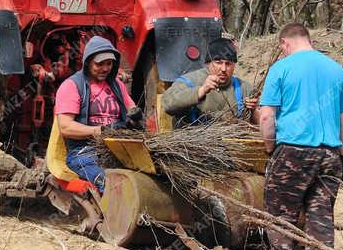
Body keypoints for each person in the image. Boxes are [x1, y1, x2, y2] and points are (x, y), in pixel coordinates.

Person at [258, 23, 343, 250]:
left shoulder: (282, 68)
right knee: (320, 219)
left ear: (284, 44)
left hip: (293, 152)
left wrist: (269, 147)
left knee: (280, 217)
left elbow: (266, 116)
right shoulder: (337, 70)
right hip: (330, 155)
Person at [55, 36, 143, 192]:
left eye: (109, 64)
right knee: (108, 183)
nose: (105, 68)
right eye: (99, 64)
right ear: (88, 61)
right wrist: (99, 131)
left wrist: (135, 119)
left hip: (118, 148)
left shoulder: (117, 85)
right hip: (84, 151)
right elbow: (66, 127)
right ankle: (113, 213)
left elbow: (132, 109)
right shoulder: (72, 86)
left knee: (146, 177)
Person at [159, 37, 259, 126]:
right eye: (218, 62)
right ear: (208, 63)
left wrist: (253, 110)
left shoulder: (243, 88)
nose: (223, 69)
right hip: (191, 143)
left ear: (234, 66)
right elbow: (167, 104)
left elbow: (261, 123)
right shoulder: (190, 81)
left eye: (228, 64)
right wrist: (201, 91)